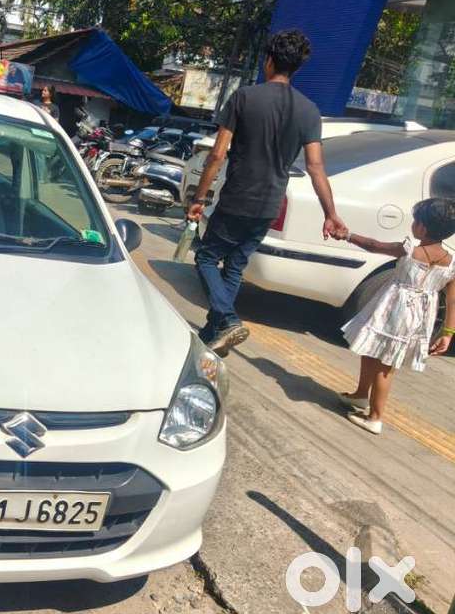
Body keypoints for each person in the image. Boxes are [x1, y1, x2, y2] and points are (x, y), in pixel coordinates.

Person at [187, 29, 346, 356]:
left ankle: (227, 319)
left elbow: (218, 154)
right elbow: (316, 167)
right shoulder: (309, 111)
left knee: (205, 255)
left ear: (269, 61)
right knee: (233, 267)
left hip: (237, 199)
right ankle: (215, 333)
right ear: (296, 67)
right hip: (269, 205)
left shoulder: (244, 98)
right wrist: (331, 214)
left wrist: (199, 198)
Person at [336, 199, 455, 435]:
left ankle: (375, 417)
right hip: (418, 317)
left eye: (415, 221)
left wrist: (347, 235)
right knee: (372, 351)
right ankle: (361, 395)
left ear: (422, 227)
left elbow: (373, 245)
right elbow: (452, 300)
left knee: (385, 365)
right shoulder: (451, 262)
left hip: (395, 311)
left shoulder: (410, 249)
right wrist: (448, 333)